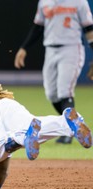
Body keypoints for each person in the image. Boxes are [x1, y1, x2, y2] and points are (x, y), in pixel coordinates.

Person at [14, 0, 93, 144]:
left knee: (64, 92)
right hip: (50, 49)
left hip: (71, 48)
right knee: (52, 93)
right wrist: (24, 48)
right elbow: (37, 27)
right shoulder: (45, 1)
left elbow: (89, 29)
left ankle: (69, 131)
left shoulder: (79, 2)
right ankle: (72, 125)